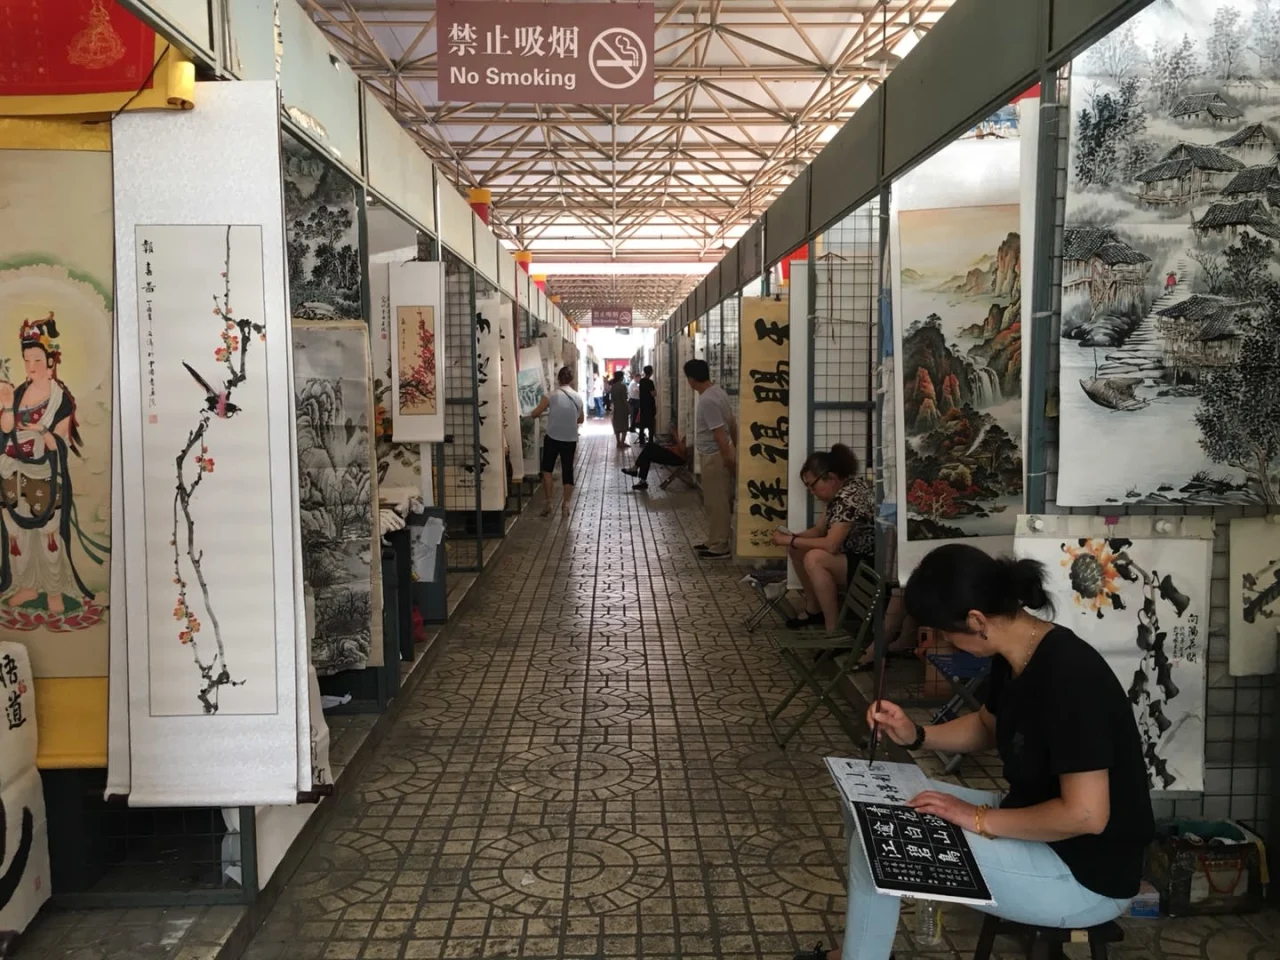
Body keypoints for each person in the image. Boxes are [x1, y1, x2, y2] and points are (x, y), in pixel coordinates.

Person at [795, 543, 1154, 960]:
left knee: (875, 849)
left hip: (1082, 875)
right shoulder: (1016, 655)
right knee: (870, 808)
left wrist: (976, 818)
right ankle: (862, 951)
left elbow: (1086, 815)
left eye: (945, 633)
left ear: (976, 620)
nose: (942, 642)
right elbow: (986, 727)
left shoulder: (1069, 676)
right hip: (1035, 827)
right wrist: (914, 734)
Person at [0, 314, 100, 618]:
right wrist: (6, 403)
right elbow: (5, 429)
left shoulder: (61, 399)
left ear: (50, 361)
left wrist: (41, 431)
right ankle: (27, 585)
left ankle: (54, 590)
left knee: (48, 535)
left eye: (37, 360)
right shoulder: (18, 392)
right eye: (27, 360)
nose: (31, 366)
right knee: (17, 535)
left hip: (43, 471)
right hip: (11, 469)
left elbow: (61, 442)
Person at [771, 444, 873, 631]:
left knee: (814, 558)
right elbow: (819, 530)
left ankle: (832, 628)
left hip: (868, 562)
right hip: (851, 556)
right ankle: (814, 609)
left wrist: (790, 540)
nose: (812, 492)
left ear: (831, 478)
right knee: (797, 548)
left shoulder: (849, 497)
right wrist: (793, 538)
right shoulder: (840, 492)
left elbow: (831, 544)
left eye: (813, 485)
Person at [684, 358, 736, 560]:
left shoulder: (707, 400)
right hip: (718, 453)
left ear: (691, 379)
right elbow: (732, 423)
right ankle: (714, 539)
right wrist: (734, 449)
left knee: (718, 502)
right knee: (714, 501)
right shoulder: (718, 392)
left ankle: (720, 545)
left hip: (715, 457)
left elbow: (719, 434)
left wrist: (728, 458)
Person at [529, 366, 584, 518]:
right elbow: (581, 419)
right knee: (568, 471)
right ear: (571, 380)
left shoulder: (551, 395)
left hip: (552, 437)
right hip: (570, 439)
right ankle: (566, 505)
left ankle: (549, 503)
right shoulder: (577, 397)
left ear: (558, 379)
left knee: (547, 470)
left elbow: (536, 413)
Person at [621, 429, 687, 490]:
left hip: (676, 458)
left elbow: (683, 449)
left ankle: (636, 471)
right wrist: (671, 447)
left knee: (649, 446)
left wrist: (675, 435)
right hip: (672, 454)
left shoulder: (689, 436)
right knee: (647, 453)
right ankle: (641, 479)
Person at [609, 371, 629, 448]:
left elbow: (611, 398)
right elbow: (624, 399)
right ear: (620, 377)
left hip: (615, 407)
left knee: (617, 425)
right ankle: (622, 442)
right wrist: (629, 408)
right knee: (624, 425)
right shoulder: (623, 386)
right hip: (622, 408)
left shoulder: (613, 387)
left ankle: (618, 442)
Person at [637, 365, 657, 445]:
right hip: (650, 405)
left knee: (642, 422)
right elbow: (653, 394)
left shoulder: (641, 381)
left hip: (642, 404)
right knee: (651, 423)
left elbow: (640, 392)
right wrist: (655, 392)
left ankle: (641, 440)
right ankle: (650, 440)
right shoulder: (650, 382)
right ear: (651, 372)